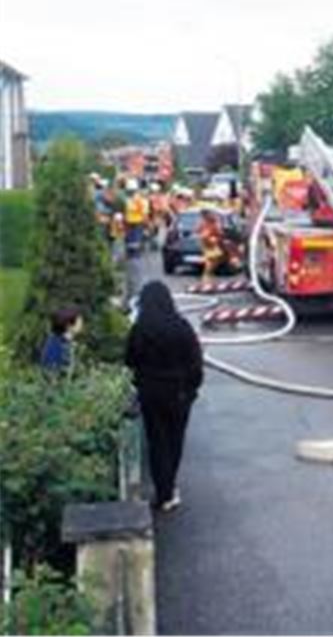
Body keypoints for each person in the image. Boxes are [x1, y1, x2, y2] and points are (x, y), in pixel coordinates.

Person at [125, 282, 203, 513]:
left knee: (156, 441)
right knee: (174, 440)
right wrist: (192, 390)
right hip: (179, 393)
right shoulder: (182, 327)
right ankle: (169, 487)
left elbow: (129, 359)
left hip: (150, 392)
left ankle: (164, 491)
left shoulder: (140, 329)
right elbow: (195, 362)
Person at [40, 307, 83, 373]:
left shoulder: (63, 341)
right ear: (68, 325)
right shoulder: (57, 343)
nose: (81, 325)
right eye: (79, 322)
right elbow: (51, 368)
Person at [197, 209, 225, 280]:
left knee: (216, 258)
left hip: (212, 241)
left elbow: (218, 231)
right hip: (207, 242)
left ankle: (209, 274)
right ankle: (206, 276)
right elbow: (198, 230)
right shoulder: (203, 222)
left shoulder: (213, 221)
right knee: (210, 259)